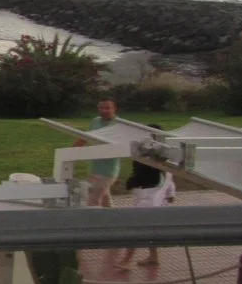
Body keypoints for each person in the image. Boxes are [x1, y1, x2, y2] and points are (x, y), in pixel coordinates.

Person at [117, 125, 176, 269]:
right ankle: (153, 256)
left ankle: (126, 261)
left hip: (149, 199)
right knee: (149, 228)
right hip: (147, 197)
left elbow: (167, 177)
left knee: (135, 230)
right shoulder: (154, 158)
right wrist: (170, 194)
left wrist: (170, 193)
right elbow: (169, 179)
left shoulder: (154, 160)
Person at [74, 97, 120, 207]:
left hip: (108, 170)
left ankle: (91, 217)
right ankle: (114, 216)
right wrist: (72, 150)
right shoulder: (95, 121)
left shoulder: (118, 124)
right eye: (101, 108)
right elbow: (86, 137)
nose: (104, 111)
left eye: (107, 108)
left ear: (114, 109)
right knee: (105, 200)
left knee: (93, 201)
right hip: (95, 167)